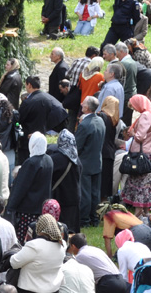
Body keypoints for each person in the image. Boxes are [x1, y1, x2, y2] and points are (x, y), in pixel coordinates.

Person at [7, 132, 53, 242]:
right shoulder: (48, 159)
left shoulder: (31, 163)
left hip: (28, 208)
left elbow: (21, 186)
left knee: (25, 237)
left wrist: (11, 206)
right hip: (42, 205)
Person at [121, 94, 151, 216]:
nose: (135, 109)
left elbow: (140, 136)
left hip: (143, 154)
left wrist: (133, 133)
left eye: (134, 106)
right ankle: (145, 213)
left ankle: (138, 213)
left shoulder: (146, 116)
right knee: (148, 183)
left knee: (140, 183)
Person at [9, 213, 66, 293]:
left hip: (30, 289)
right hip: (53, 289)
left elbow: (14, 262)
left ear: (39, 227)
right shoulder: (62, 245)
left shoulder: (34, 245)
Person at [76, 96, 106, 226]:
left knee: (85, 193)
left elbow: (77, 146)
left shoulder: (84, 124)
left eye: (84, 103)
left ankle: (84, 220)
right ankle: (94, 219)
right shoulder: (100, 121)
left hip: (85, 163)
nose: (81, 104)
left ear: (87, 108)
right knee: (95, 193)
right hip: (97, 161)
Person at [47, 129, 81, 233]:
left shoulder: (56, 159)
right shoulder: (76, 159)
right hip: (74, 198)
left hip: (61, 197)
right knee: (71, 228)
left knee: (60, 228)